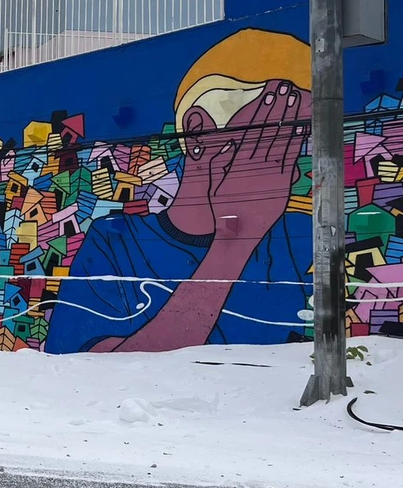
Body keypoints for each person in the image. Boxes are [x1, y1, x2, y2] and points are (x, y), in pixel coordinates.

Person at [45, 29, 314, 353]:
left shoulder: (302, 238)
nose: (292, 166)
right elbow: (88, 376)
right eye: (273, 140)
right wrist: (236, 237)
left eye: (300, 142)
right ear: (198, 131)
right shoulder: (114, 244)